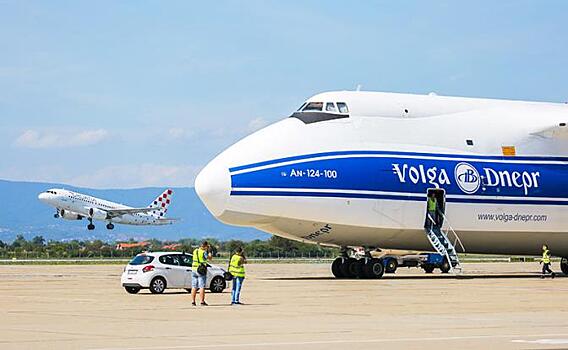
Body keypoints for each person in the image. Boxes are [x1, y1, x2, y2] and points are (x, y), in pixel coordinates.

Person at [191, 241, 212, 306]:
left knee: (194, 286)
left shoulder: (195, 251)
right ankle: (202, 301)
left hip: (194, 269)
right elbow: (210, 258)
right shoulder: (204, 252)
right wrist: (209, 251)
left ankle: (193, 301)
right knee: (201, 286)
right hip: (201, 269)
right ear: (205, 246)